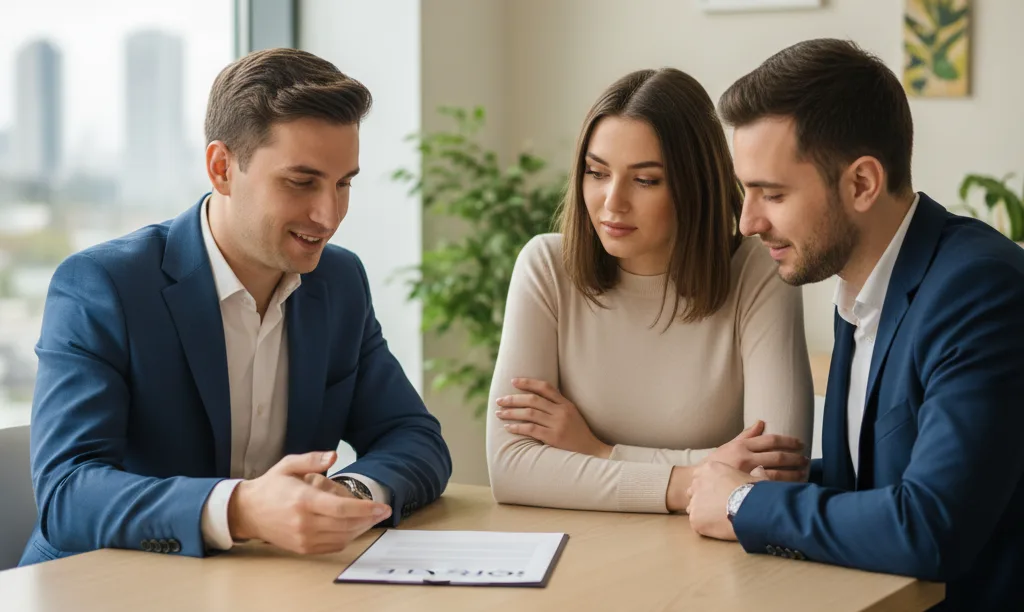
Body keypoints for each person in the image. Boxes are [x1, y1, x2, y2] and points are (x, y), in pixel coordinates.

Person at [20, 48, 451, 566]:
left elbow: (414, 437)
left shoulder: (340, 282)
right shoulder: (103, 285)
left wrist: (350, 495)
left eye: (344, 183)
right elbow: (67, 494)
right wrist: (240, 509)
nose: (329, 214)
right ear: (222, 168)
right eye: (301, 181)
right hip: (103, 586)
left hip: (268, 587)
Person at [686, 39, 1024, 610]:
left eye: (772, 192)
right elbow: (874, 480)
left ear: (862, 183)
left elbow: (929, 525)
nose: (746, 221)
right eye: (746, 190)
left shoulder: (982, 291)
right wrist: (759, 481)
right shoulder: (861, 285)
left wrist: (744, 504)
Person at [486, 68, 814, 514]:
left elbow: (771, 475)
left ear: (694, 184)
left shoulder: (757, 270)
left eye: (645, 180)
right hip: (578, 553)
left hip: (713, 561)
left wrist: (599, 452)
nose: (612, 201)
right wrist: (694, 479)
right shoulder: (546, 268)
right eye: (597, 172)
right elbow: (512, 469)